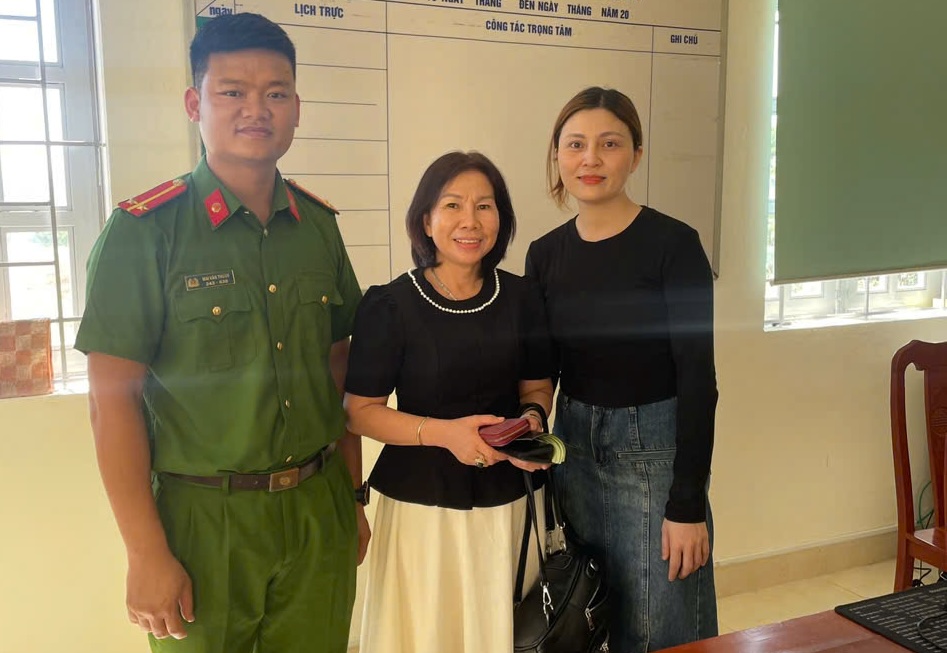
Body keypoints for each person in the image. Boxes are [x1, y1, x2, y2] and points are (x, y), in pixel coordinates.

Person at [75, 13, 369, 653]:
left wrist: (352, 498)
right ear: (195, 104)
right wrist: (145, 552)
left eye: (276, 93)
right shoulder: (145, 232)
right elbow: (110, 402)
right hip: (203, 522)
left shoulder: (318, 227)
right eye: (232, 91)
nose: (256, 109)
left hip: (318, 508)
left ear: (296, 109)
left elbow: (339, 369)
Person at [525, 86, 719, 653]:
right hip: (574, 454)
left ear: (635, 155)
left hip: (653, 459)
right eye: (575, 144)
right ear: (557, 155)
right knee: (583, 624)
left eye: (609, 144)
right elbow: (542, 370)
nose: (590, 159)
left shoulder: (674, 245)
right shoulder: (545, 254)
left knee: (661, 632)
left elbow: (698, 380)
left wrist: (687, 504)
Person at [343, 151, 555, 653]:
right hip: (423, 510)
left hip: (509, 500)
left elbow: (536, 388)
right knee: (426, 634)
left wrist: (530, 421)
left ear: (501, 218)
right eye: (453, 205)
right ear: (426, 220)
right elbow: (358, 411)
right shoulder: (390, 304)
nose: (470, 221)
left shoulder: (523, 298)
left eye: (484, 206)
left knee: (503, 631)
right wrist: (445, 434)